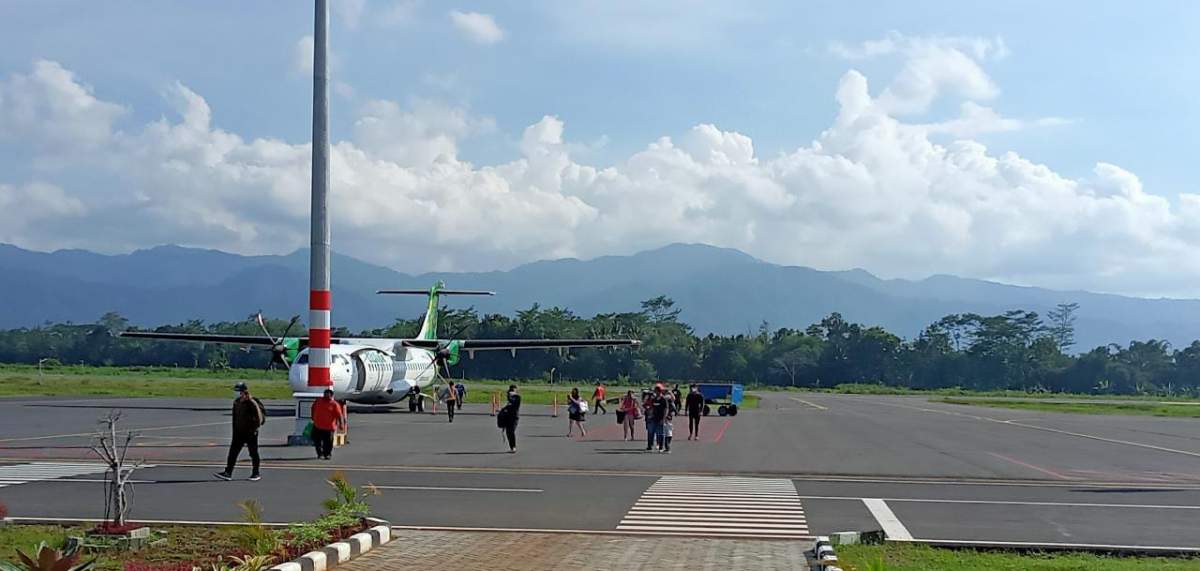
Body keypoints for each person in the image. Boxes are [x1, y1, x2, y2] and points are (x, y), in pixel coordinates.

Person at [215, 383, 265, 481]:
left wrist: (255, 428)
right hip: (238, 432)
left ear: (244, 392)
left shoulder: (253, 402)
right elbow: (235, 418)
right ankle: (228, 472)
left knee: (253, 453)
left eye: (238, 391)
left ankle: (256, 473)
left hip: (250, 432)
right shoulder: (237, 402)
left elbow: (259, 417)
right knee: (233, 453)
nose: (236, 393)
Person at [310, 389, 345, 460]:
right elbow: (313, 408)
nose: (326, 396)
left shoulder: (334, 404)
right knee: (316, 440)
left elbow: (339, 415)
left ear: (331, 396)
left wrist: (341, 424)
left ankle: (327, 454)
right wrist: (313, 416)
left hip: (329, 427)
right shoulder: (318, 401)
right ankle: (320, 453)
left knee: (328, 442)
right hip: (318, 425)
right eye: (325, 394)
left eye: (328, 395)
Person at [498, 384, 521, 452]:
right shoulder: (509, 401)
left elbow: (513, 401)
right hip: (508, 418)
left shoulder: (517, 397)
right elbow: (507, 406)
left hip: (514, 418)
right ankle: (512, 447)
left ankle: (513, 447)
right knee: (508, 432)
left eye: (513, 390)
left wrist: (511, 395)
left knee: (511, 431)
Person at [646, 384, 669, 452]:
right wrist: (650, 414)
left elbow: (666, 409)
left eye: (656, 391)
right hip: (653, 418)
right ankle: (650, 446)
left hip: (660, 418)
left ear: (659, 391)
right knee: (650, 432)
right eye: (655, 391)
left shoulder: (663, 399)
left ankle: (661, 447)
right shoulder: (654, 399)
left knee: (660, 433)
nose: (655, 393)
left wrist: (664, 418)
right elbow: (652, 408)